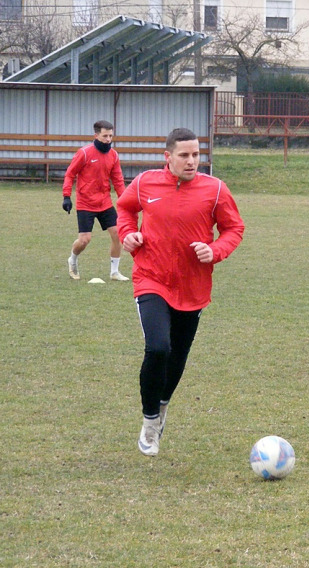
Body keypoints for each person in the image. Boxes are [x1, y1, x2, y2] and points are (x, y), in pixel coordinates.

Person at [116, 128, 245, 456]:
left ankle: (161, 407)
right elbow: (126, 209)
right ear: (168, 157)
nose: (192, 161)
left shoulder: (215, 190)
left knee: (177, 356)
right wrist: (129, 233)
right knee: (158, 347)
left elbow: (233, 229)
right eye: (184, 155)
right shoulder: (146, 182)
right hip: (151, 278)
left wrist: (214, 250)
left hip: (193, 287)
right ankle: (149, 422)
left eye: (196, 155)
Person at [62, 120, 129, 281]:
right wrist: (66, 196)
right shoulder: (84, 153)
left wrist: (126, 200)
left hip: (105, 202)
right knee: (84, 240)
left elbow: (118, 180)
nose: (108, 139)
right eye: (105, 135)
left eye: (111, 136)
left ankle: (114, 272)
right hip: (86, 203)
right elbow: (70, 174)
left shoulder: (113, 155)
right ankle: (73, 259)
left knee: (117, 234)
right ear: (96, 135)